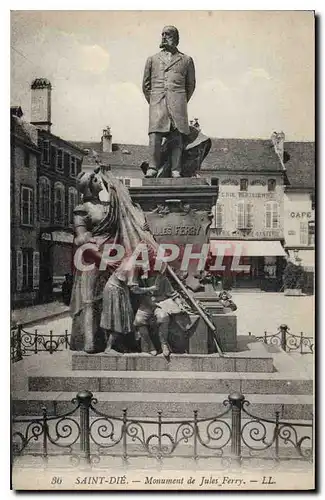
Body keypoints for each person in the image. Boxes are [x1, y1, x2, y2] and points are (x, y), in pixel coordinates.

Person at [69, 168, 120, 353]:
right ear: (89, 185)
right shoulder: (82, 209)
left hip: (114, 255)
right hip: (93, 259)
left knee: (111, 299)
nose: (101, 182)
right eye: (97, 180)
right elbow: (81, 239)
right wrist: (102, 259)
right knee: (90, 301)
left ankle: (111, 343)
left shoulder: (108, 205)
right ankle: (89, 342)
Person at [142, 25, 196, 178]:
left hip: (178, 102)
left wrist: (180, 100)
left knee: (177, 135)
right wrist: (154, 101)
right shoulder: (152, 59)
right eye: (162, 34)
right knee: (155, 135)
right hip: (157, 102)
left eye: (168, 34)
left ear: (176, 38)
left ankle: (176, 169)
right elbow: (146, 86)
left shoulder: (186, 60)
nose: (164, 37)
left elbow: (190, 85)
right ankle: (152, 167)